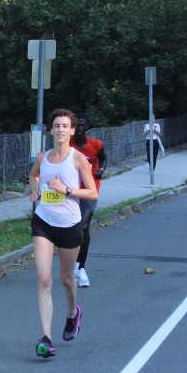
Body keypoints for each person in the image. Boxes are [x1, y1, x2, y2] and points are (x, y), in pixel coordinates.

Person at [29, 108, 99, 358]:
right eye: (56, 126)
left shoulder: (78, 158)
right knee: (44, 279)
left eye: (65, 126)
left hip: (70, 224)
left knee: (67, 279)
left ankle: (72, 314)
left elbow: (92, 193)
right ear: (51, 130)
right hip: (44, 222)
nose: (60, 130)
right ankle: (46, 338)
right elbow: (34, 175)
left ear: (72, 130)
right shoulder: (42, 157)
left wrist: (67, 190)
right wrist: (35, 190)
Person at [68, 116, 106, 288]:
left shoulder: (96, 144)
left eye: (83, 125)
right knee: (70, 229)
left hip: (89, 191)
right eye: (77, 125)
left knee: (83, 226)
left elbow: (103, 159)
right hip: (70, 192)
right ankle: (71, 265)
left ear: (87, 127)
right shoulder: (67, 145)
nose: (80, 128)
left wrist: (101, 169)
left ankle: (80, 267)